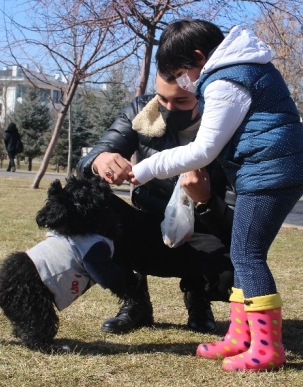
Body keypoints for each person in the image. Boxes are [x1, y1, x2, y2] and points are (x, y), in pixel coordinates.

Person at [129, 20, 303, 372]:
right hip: (270, 168)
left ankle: (267, 347)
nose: (184, 82)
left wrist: (146, 168)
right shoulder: (243, 67)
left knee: (247, 253)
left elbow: (203, 150)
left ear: (199, 57)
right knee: (243, 252)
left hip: (270, 171)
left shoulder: (226, 79)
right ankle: (241, 336)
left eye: (181, 73)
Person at [77, 72, 236, 335]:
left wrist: (206, 200)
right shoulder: (142, 111)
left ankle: (198, 295)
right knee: (90, 207)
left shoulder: (229, 123)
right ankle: (135, 300)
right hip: (150, 223)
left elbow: (239, 223)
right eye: (162, 98)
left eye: (182, 100)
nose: (169, 109)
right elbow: (90, 159)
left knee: (234, 269)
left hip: (206, 231)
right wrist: (99, 161)